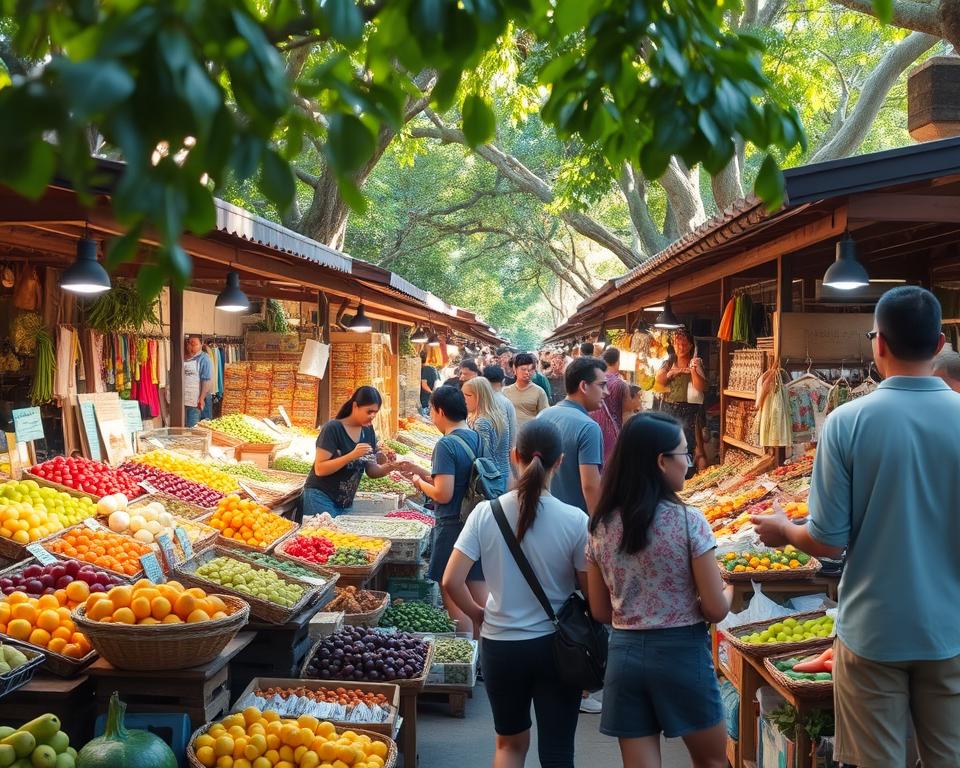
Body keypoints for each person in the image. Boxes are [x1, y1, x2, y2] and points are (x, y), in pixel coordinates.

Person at [752, 286, 960, 768]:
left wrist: (785, 529)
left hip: (873, 630)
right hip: (951, 629)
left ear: (878, 344)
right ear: (937, 346)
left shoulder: (846, 422)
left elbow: (827, 539)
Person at [587, 412, 732, 767]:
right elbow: (715, 609)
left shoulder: (601, 525)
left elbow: (601, 611)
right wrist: (728, 590)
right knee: (712, 759)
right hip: (681, 652)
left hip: (624, 655)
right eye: (684, 453)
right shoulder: (688, 521)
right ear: (661, 461)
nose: (688, 462)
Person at [443, 420, 589, 768]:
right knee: (557, 751)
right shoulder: (575, 520)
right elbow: (590, 592)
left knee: (509, 745)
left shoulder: (485, 513)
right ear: (560, 461)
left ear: (513, 456)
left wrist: (478, 613)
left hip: (501, 645)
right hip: (557, 648)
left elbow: (451, 581)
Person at [402, 386, 485, 636]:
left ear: (439, 410)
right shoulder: (476, 437)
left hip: (452, 524)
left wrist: (418, 483)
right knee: (476, 586)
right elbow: (460, 479)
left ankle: (465, 645)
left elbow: (443, 493)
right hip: (475, 520)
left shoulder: (446, 444)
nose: (432, 418)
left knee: (451, 589)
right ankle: (485, 650)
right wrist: (422, 472)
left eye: (432, 412)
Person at [303, 387, 401, 517]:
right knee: (326, 536)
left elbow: (371, 470)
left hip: (345, 503)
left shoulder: (368, 431)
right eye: (369, 411)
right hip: (320, 497)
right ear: (355, 406)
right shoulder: (333, 428)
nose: (372, 416)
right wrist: (351, 456)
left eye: (375, 413)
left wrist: (391, 466)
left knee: (341, 537)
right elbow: (320, 469)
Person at [536, 356, 605, 515]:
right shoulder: (589, 427)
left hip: (541, 514)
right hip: (575, 522)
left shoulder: (543, 415)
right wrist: (596, 526)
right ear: (584, 386)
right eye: (602, 385)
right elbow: (590, 486)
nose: (606, 392)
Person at [655, 327, 708, 471]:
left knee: (687, 445)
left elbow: (700, 387)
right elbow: (659, 380)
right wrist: (675, 372)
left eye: (684, 344)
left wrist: (692, 370)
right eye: (678, 343)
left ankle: (686, 475)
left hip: (689, 412)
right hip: (669, 408)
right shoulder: (669, 362)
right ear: (673, 344)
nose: (681, 347)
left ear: (691, 346)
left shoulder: (696, 363)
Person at [462, 376, 510, 495]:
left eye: (468, 396)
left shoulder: (481, 421)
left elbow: (483, 457)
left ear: (480, 397)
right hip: (502, 474)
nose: (464, 399)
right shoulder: (498, 415)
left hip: (490, 480)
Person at [590, 347, 629, 466]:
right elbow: (626, 414)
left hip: (596, 426)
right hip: (614, 429)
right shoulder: (620, 384)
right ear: (618, 362)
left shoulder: (596, 379)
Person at [504, 353, 549, 429]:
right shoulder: (505, 391)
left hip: (529, 436)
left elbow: (545, 417)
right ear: (515, 369)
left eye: (530, 370)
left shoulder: (539, 392)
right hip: (510, 436)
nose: (527, 373)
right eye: (523, 369)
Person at [483, 364, 518, 449]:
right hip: (503, 455)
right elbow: (513, 432)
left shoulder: (478, 400)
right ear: (503, 381)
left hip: (481, 457)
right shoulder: (506, 403)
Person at [183, 335, 213, 428]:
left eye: (194, 344)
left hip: (200, 397)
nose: (191, 347)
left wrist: (201, 398)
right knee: (188, 426)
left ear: (201, 345)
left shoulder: (204, 358)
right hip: (188, 397)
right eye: (189, 344)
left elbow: (206, 380)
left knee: (195, 426)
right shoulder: (186, 357)